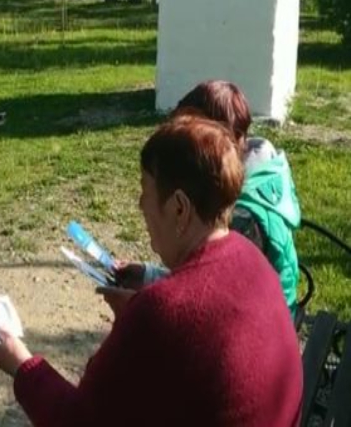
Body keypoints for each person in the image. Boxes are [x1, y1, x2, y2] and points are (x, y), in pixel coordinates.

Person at [0, 116, 303, 426]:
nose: (140, 205)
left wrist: (21, 364)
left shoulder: (162, 311)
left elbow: (77, 419)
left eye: (145, 191)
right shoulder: (252, 259)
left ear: (179, 207)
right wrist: (142, 325)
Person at [113, 80, 302, 316]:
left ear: (216, 140)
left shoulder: (242, 216)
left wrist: (138, 311)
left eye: (191, 132)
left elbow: (208, 304)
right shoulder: (262, 173)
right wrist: (149, 276)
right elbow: (206, 281)